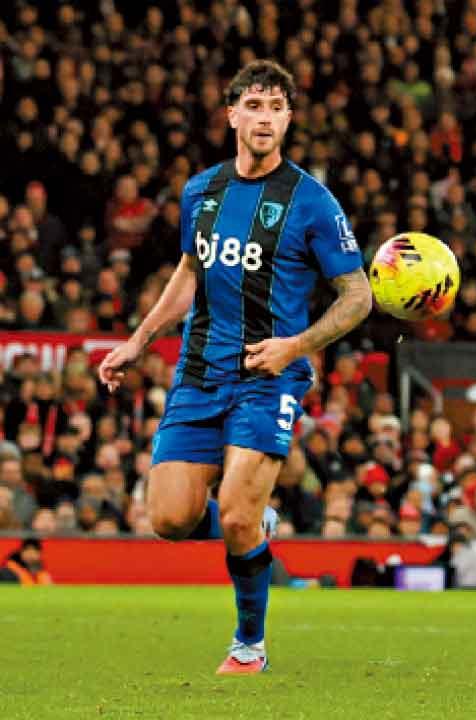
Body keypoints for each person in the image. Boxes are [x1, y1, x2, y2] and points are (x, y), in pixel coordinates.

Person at [97, 61, 372, 674]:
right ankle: (249, 523)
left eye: (276, 106)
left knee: (238, 514)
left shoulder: (312, 202)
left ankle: (249, 645)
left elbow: (358, 297)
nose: (265, 117)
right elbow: (189, 273)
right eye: (254, 105)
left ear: (289, 118)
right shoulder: (201, 190)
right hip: (199, 372)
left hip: (268, 377)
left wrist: (295, 347)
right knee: (169, 519)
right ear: (232, 115)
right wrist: (139, 341)